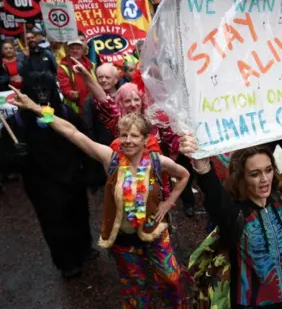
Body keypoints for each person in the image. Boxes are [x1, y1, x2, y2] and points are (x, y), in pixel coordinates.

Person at [10, 87, 189, 307]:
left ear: (144, 139)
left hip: (154, 232)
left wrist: (169, 203)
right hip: (123, 238)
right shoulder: (110, 158)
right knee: (136, 290)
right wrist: (36, 108)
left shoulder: (157, 161)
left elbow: (184, 175)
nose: (128, 141)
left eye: (134, 136)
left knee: (172, 279)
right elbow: (72, 132)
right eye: (124, 135)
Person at [182, 125, 282, 308]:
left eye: (268, 170)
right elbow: (212, 192)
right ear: (241, 178)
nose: (265, 179)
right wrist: (202, 166)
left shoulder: (279, 196)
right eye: (254, 174)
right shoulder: (233, 213)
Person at [0, 72, 96, 279]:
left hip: (71, 175)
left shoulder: (65, 113)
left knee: (79, 214)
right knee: (53, 222)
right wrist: (15, 155)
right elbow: (5, 161)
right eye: (37, 92)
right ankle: (66, 261)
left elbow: (84, 141)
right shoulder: (15, 123)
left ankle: (84, 248)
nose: (42, 96)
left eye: (46, 91)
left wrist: (88, 172)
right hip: (40, 182)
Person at [73, 63, 197, 216]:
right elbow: (103, 100)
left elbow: (175, 142)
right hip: (129, 183)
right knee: (131, 223)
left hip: (156, 183)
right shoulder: (118, 121)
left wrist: (168, 198)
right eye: (127, 101)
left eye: (136, 99)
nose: (133, 104)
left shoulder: (154, 119)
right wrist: (87, 76)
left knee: (159, 224)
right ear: (120, 103)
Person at [58, 40, 96, 114]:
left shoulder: (91, 65)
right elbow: (65, 88)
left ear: (82, 50)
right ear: (68, 50)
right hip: (75, 109)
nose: (75, 51)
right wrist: (70, 93)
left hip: (93, 105)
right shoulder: (63, 67)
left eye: (78, 48)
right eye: (72, 48)